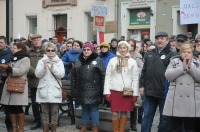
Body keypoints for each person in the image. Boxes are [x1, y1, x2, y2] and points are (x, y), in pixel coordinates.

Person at [139, 32, 177, 132]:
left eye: (162, 38)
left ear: (167, 40)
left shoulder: (173, 54)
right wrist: (142, 86)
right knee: (146, 116)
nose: (159, 40)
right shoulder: (150, 53)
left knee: (165, 119)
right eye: (158, 39)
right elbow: (144, 71)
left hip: (165, 93)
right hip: (149, 92)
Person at [163, 44, 200, 131]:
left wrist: (191, 67)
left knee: (190, 128)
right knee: (175, 127)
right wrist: (181, 68)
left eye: (188, 52)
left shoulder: (197, 63)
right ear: (180, 53)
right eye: (184, 52)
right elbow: (167, 75)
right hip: (176, 100)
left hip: (192, 101)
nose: (186, 54)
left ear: (192, 54)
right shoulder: (173, 61)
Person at [104, 41, 139, 132]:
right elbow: (108, 76)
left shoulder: (132, 61)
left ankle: (121, 130)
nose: (122, 50)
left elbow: (135, 78)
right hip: (115, 90)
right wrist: (107, 91)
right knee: (115, 113)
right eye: (120, 48)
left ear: (127, 49)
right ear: (118, 49)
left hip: (127, 91)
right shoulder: (112, 60)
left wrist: (135, 93)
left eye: (124, 48)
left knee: (124, 113)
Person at [71, 43, 105, 132]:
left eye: (88, 49)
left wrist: (104, 89)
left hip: (94, 89)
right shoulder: (78, 60)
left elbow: (103, 75)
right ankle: (84, 125)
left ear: (92, 50)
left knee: (94, 108)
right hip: (81, 88)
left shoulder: (98, 60)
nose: (86, 51)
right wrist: (74, 88)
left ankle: (95, 126)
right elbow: (73, 75)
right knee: (85, 108)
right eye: (85, 49)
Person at [0, 42, 30, 132]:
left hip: (18, 86)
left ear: (20, 49)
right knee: (10, 108)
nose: (12, 49)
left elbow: (21, 71)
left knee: (17, 108)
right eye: (12, 48)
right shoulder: (14, 58)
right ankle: (14, 129)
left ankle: (20, 129)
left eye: (14, 48)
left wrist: (7, 68)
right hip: (10, 86)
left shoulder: (25, 59)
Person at [35, 43, 65, 132]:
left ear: (56, 51)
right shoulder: (41, 61)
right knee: (44, 113)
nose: (50, 52)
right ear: (45, 51)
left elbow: (61, 75)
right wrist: (44, 68)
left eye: (53, 50)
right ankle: (45, 130)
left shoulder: (59, 61)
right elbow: (37, 74)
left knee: (55, 113)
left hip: (55, 90)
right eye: (48, 50)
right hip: (44, 90)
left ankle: (54, 130)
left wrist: (52, 67)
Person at [27, 34, 45, 130]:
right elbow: (26, 64)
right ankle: (37, 120)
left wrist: (41, 72)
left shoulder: (46, 51)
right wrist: (35, 72)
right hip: (33, 80)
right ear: (32, 42)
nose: (37, 41)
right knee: (34, 103)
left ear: (41, 41)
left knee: (44, 102)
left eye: (38, 40)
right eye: (35, 40)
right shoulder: (28, 52)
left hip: (44, 80)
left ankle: (45, 120)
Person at [128, 39, 144, 131]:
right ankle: (125, 122)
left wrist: (132, 71)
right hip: (123, 83)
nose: (130, 47)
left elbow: (141, 68)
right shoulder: (121, 55)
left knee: (133, 104)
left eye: (132, 45)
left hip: (134, 82)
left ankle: (133, 123)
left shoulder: (138, 56)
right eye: (129, 45)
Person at [0, 36, 12, 132]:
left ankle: (10, 128)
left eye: (1, 42)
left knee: (8, 107)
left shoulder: (10, 55)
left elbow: (9, 69)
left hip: (4, 84)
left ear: (5, 43)